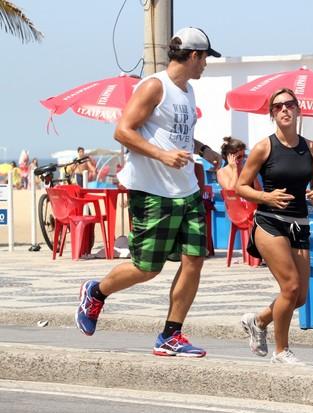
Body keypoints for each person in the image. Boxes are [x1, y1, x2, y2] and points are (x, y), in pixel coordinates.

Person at [75, 27, 222, 357]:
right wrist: (162, 155)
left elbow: (175, 136)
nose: (206, 66)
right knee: (147, 268)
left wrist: (205, 150)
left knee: (195, 260)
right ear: (194, 56)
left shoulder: (187, 91)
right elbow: (122, 131)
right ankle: (96, 291)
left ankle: (171, 334)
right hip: (153, 192)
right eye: (205, 59)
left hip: (187, 190)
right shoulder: (155, 86)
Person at [236, 88, 313, 364]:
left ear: (298, 110)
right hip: (269, 222)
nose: (284, 110)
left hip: (299, 223)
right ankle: (281, 351)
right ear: (272, 114)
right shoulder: (264, 147)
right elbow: (240, 186)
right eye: (278, 107)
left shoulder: (312, 148)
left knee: (299, 297)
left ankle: (258, 320)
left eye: (289, 105)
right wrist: (266, 197)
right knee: (290, 287)